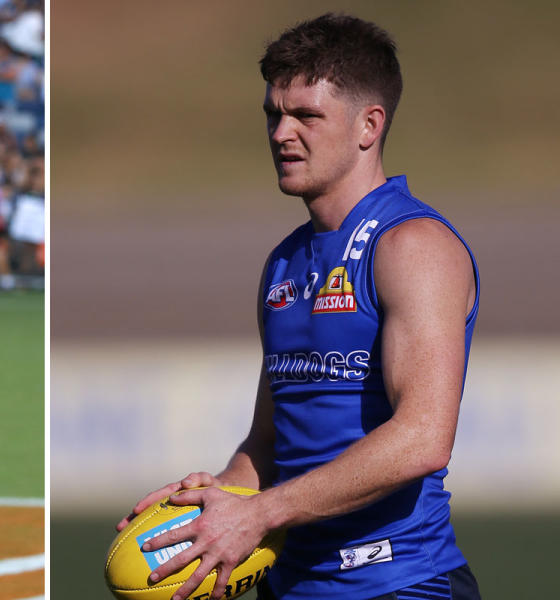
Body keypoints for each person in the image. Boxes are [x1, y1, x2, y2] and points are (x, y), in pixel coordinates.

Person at [116, 14, 482, 600]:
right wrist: (219, 499)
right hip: (289, 585)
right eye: (273, 114)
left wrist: (260, 514)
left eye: (306, 116)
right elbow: (269, 442)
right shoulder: (284, 262)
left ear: (369, 125)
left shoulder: (412, 246)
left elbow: (422, 437)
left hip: (398, 583)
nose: (281, 133)